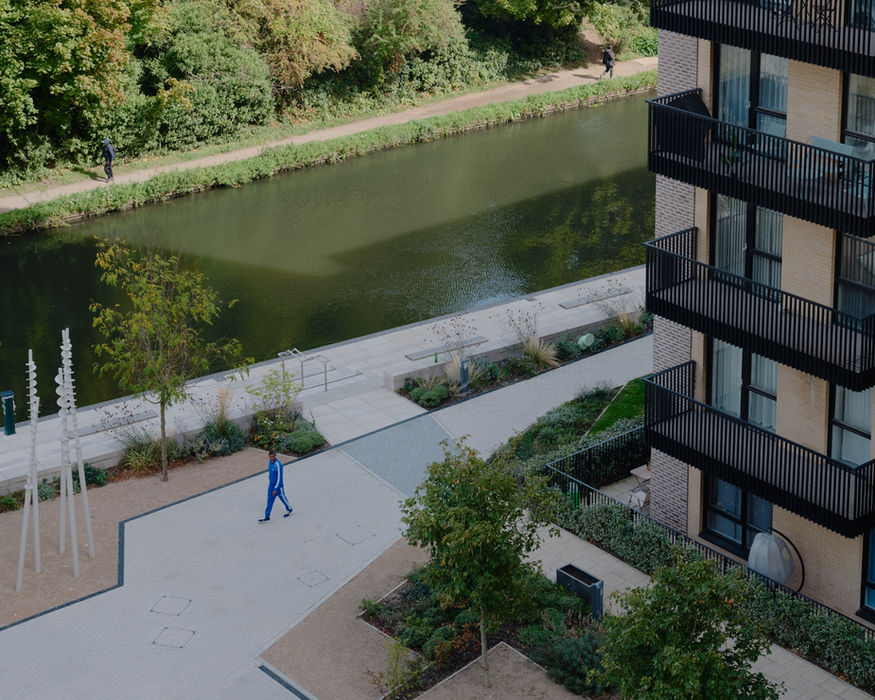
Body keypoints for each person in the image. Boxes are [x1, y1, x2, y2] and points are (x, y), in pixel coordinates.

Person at [259, 450, 293, 522]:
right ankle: (267, 517)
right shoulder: (270, 462)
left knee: (283, 498)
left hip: (278, 486)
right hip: (271, 486)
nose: (271, 458)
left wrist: (275, 488)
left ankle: (289, 509)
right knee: (269, 500)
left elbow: (280, 478)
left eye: (273, 457)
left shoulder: (278, 464)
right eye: (270, 457)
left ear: (275, 456)